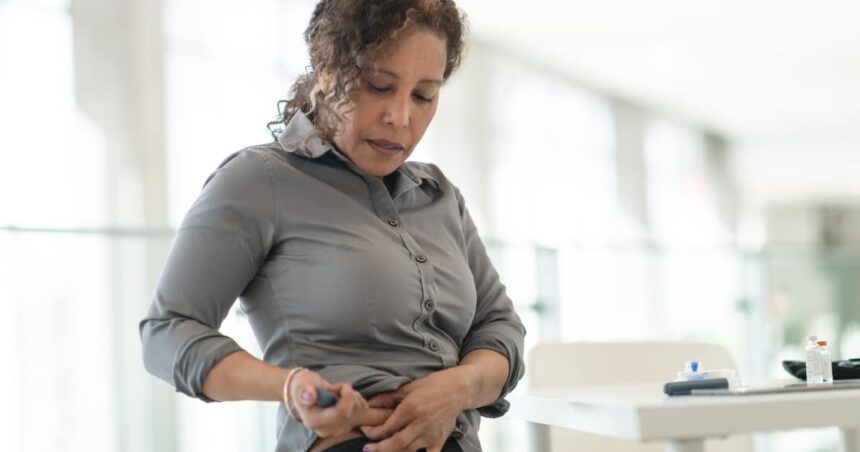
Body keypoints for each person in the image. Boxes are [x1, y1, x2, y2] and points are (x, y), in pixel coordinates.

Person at [139, 1, 525, 451]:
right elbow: (167, 331)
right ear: (326, 68)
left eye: (423, 96)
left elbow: (500, 328)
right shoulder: (259, 180)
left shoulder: (439, 196)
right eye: (379, 86)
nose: (400, 117)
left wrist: (455, 390)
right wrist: (290, 387)